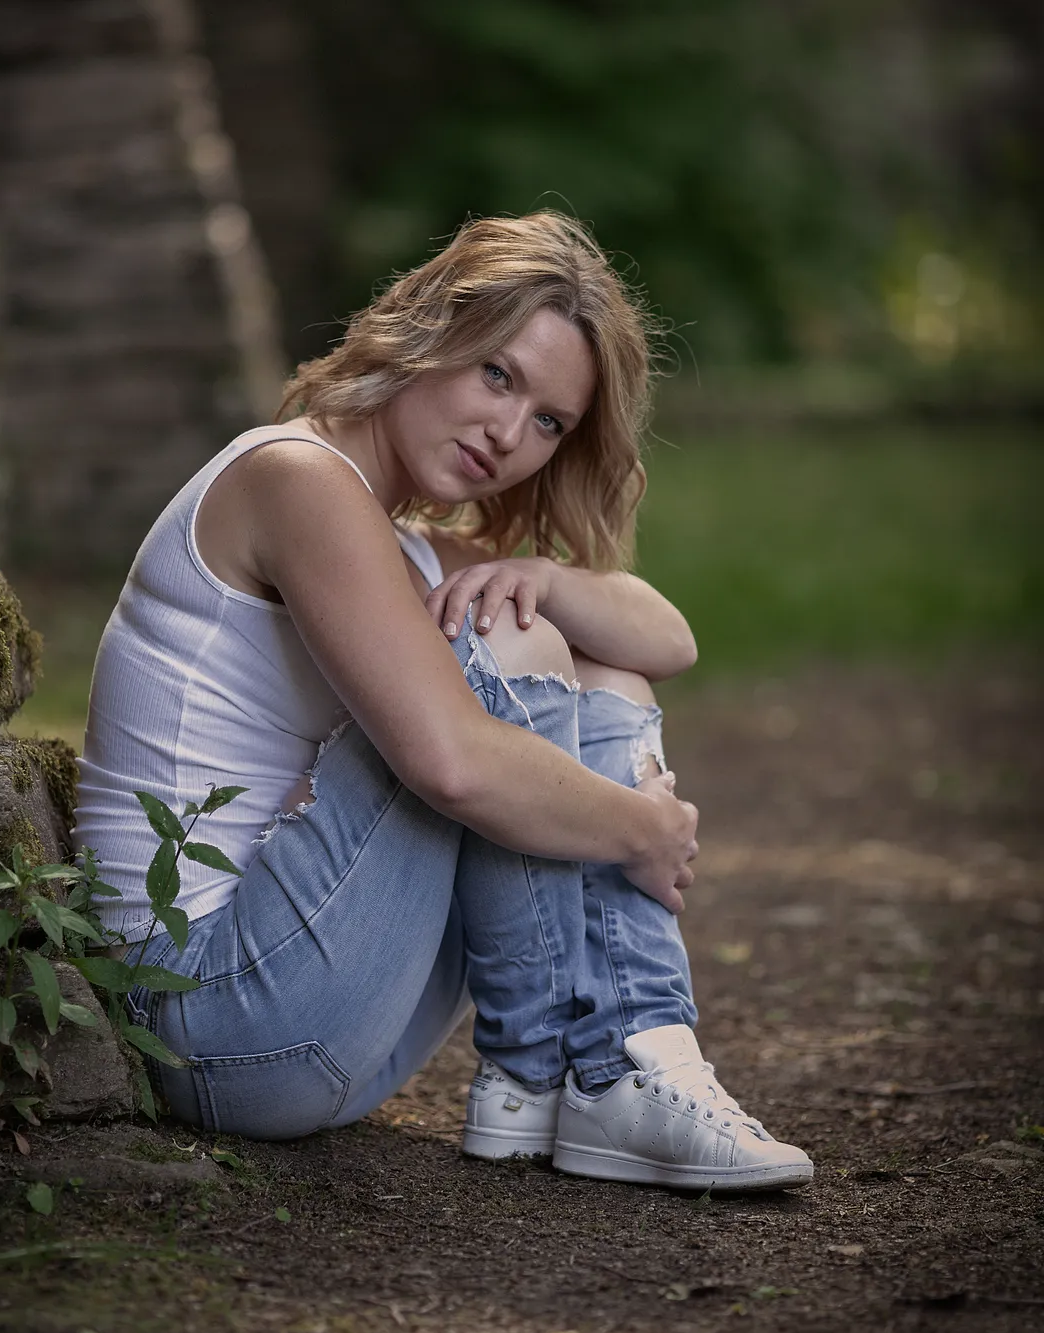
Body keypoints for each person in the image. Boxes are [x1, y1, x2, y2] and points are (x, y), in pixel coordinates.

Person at [74, 212, 812, 1190]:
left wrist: (548, 580)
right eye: (497, 375)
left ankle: (599, 1065)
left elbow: (664, 639)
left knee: (569, 642)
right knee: (504, 639)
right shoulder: (293, 477)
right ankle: (607, 1061)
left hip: (328, 1024)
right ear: (429, 334)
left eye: (549, 421)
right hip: (205, 1016)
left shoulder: (407, 544)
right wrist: (641, 827)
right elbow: (448, 761)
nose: (510, 433)